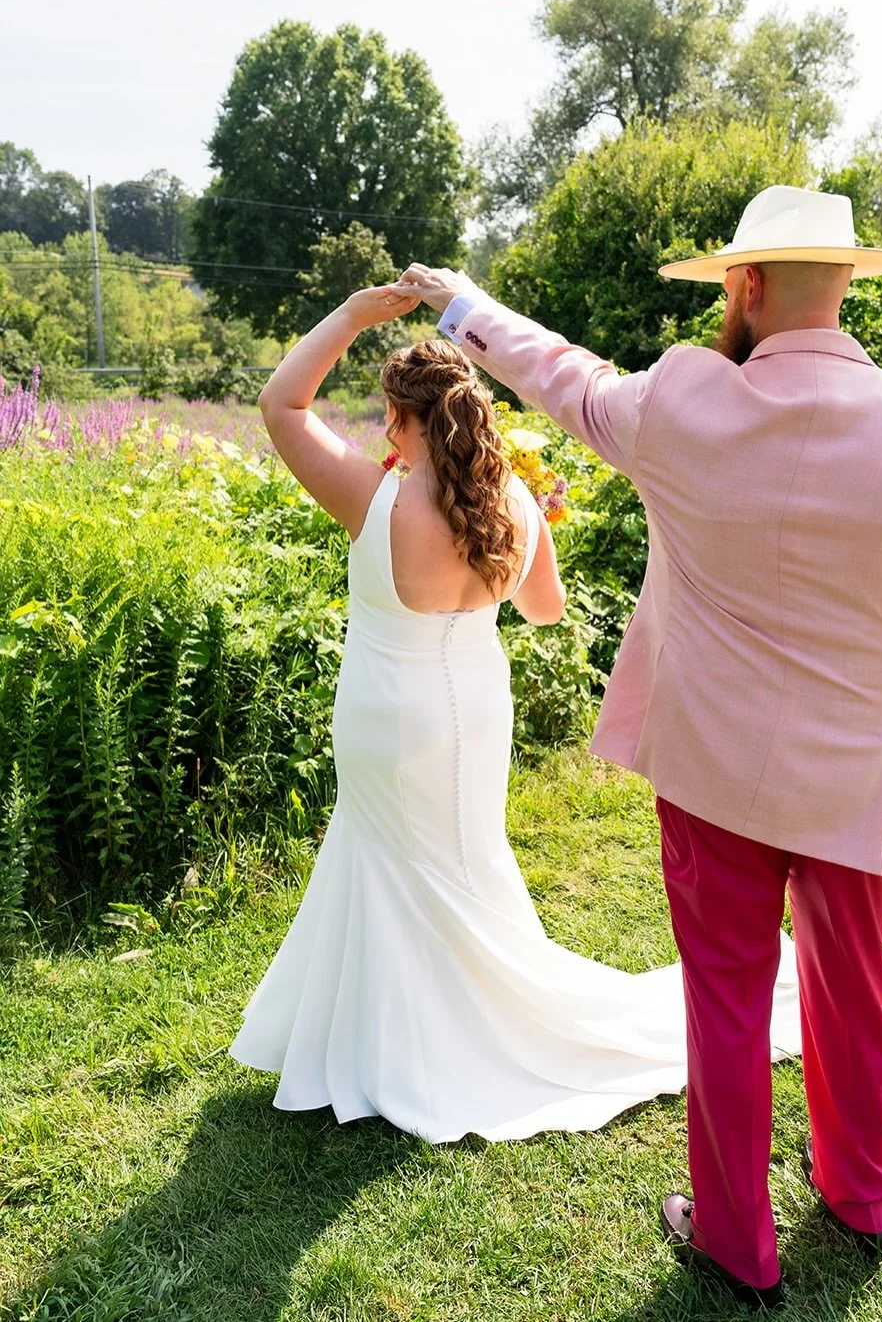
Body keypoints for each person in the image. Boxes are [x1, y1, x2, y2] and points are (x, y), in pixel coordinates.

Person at [398, 184, 882, 1310]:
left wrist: (458, 306)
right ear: (844, 287)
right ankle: (863, 1194)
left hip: (713, 777)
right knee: (852, 991)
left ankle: (736, 1239)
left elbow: (558, 372)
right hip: (852, 781)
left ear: (741, 285)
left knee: (728, 1004)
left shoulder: (680, 402)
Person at [228, 284, 830, 1142]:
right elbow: (545, 611)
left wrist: (358, 313)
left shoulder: (375, 500)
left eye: (387, 422)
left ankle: (394, 1040)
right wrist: (530, 530)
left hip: (386, 712)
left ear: (405, 422)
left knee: (391, 860)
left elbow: (281, 401)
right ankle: (440, 1018)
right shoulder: (511, 504)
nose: (380, 437)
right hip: (474, 705)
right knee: (463, 856)